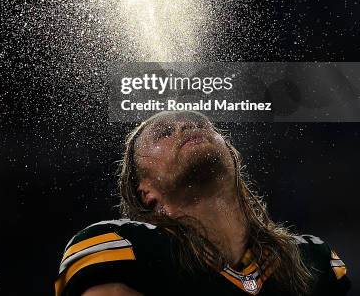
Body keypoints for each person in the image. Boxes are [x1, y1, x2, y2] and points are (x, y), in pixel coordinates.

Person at [55, 111, 351, 295]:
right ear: (146, 191)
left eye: (199, 123)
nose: (185, 125)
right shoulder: (121, 247)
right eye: (164, 133)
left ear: (233, 155)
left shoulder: (314, 260)